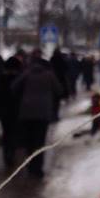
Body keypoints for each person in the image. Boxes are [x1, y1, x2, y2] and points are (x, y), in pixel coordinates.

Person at [12, 49, 63, 179]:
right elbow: (58, 90)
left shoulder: (27, 73)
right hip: (43, 113)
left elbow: (14, 87)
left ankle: (30, 167)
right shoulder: (49, 75)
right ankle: (38, 169)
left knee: (29, 140)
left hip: (26, 112)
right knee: (40, 141)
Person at [0, 55, 23, 169]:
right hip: (16, 110)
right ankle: (12, 152)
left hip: (4, 111)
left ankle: (7, 154)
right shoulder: (20, 78)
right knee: (14, 132)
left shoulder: (1, 78)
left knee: (6, 132)